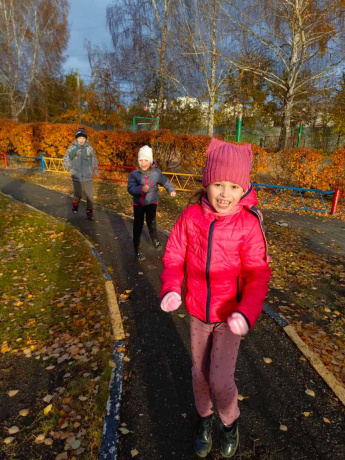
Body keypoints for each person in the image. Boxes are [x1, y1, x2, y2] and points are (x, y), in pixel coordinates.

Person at [160, 138, 271, 458]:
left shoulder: (248, 225)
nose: (225, 193)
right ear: (207, 184)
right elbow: (173, 257)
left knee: (220, 379)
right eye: (218, 184)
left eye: (233, 186)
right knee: (199, 375)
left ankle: (229, 421)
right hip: (197, 311)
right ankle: (205, 419)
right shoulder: (191, 217)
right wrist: (170, 287)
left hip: (229, 317)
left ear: (244, 189)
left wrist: (246, 313)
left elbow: (258, 275)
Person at [127, 145, 176, 261]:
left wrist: (171, 189)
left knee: (151, 222)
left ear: (150, 161)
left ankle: (155, 239)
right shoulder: (134, 174)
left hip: (152, 202)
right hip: (138, 203)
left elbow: (165, 181)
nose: (143, 163)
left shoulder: (156, 173)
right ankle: (137, 248)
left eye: (146, 160)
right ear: (137, 161)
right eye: (140, 160)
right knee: (138, 226)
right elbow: (130, 188)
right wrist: (140, 190)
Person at [63, 127, 98, 221]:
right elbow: (66, 159)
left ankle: (90, 212)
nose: (81, 140)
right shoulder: (72, 148)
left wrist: (95, 169)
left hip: (88, 175)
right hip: (76, 175)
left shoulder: (89, 148)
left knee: (89, 196)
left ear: (86, 138)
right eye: (79, 138)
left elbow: (94, 159)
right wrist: (70, 169)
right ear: (76, 138)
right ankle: (75, 204)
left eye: (83, 138)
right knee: (78, 194)